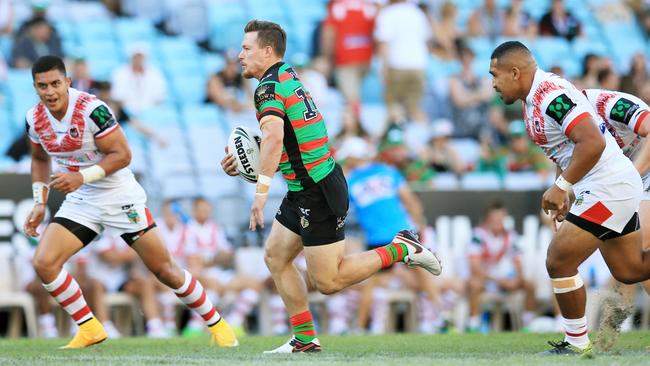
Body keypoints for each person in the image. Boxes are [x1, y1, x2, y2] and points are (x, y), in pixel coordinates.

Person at [220, 20, 441, 353]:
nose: (240, 56)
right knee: (276, 256)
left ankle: (403, 249)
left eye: (246, 49)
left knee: (328, 281)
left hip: (317, 189)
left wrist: (260, 191)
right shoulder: (288, 76)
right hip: (307, 185)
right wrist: (246, 159)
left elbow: (276, 137)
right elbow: (289, 137)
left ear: (267, 51)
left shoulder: (267, 88)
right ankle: (305, 338)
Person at [23, 56, 237, 348]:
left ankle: (219, 326)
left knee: (165, 270)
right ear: (35, 87)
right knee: (44, 262)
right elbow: (38, 158)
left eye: (55, 84)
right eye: (42, 85)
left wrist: (81, 178)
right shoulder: (34, 118)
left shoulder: (92, 110)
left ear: (68, 82)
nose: (50, 91)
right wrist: (39, 202)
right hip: (83, 199)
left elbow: (123, 155)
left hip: (119, 195)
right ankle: (89, 328)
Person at [489, 41, 650, 356]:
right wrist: (562, 187)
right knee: (630, 269)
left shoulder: (550, 95)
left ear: (515, 71)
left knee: (559, 259)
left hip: (609, 186)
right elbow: (566, 151)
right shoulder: (533, 101)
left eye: (495, 75)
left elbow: (592, 143)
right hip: (606, 185)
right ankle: (577, 342)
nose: (493, 83)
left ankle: (576, 343)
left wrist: (563, 186)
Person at [466, 201, 537, 332]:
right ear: (487, 219)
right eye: (495, 218)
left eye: (501, 218)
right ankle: (473, 323)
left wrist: (517, 279)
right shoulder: (478, 235)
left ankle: (528, 323)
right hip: (486, 280)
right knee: (474, 284)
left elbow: (518, 261)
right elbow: (475, 267)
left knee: (529, 284)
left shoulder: (510, 235)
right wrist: (498, 281)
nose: (499, 221)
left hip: (503, 279)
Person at [374, 0, 431, 123]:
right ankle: (427, 136)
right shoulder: (417, 13)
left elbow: (384, 44)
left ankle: (396, 139)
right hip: (418, 65)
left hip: (397, 65)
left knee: (393, 106)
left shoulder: (388, 14)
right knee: (415, 108)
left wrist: (383, 69)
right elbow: (426, 40)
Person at [321, 0, 377, 115]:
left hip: (345, 61)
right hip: (366, 60)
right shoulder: (369, 5)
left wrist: (326, 57)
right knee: (359, 99)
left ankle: (356, 129)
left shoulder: (337, 6)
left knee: (351, 101)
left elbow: (329, 33)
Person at [111, 44, 167, 114]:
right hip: (127, 112)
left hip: (150, 112)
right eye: (136, 56)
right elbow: (117, 96)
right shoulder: (120, 73)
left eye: (140, 57)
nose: (138, 59)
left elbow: (159, 96)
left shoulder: (154, 73)